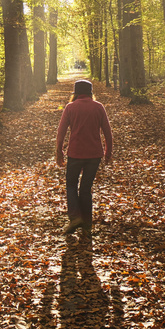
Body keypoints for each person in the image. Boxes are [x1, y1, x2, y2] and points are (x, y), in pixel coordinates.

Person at [56, 79, 113, 237]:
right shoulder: (98, 107)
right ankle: (87, 223)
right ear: (90, 92)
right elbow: (108, 133)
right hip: (94, 155)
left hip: (75, 153)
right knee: (86, 189)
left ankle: (75, 217)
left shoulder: (70, 107)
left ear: (75, 93)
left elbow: (61, 133)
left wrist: (59, 152)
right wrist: (108, 153)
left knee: (71, 185)